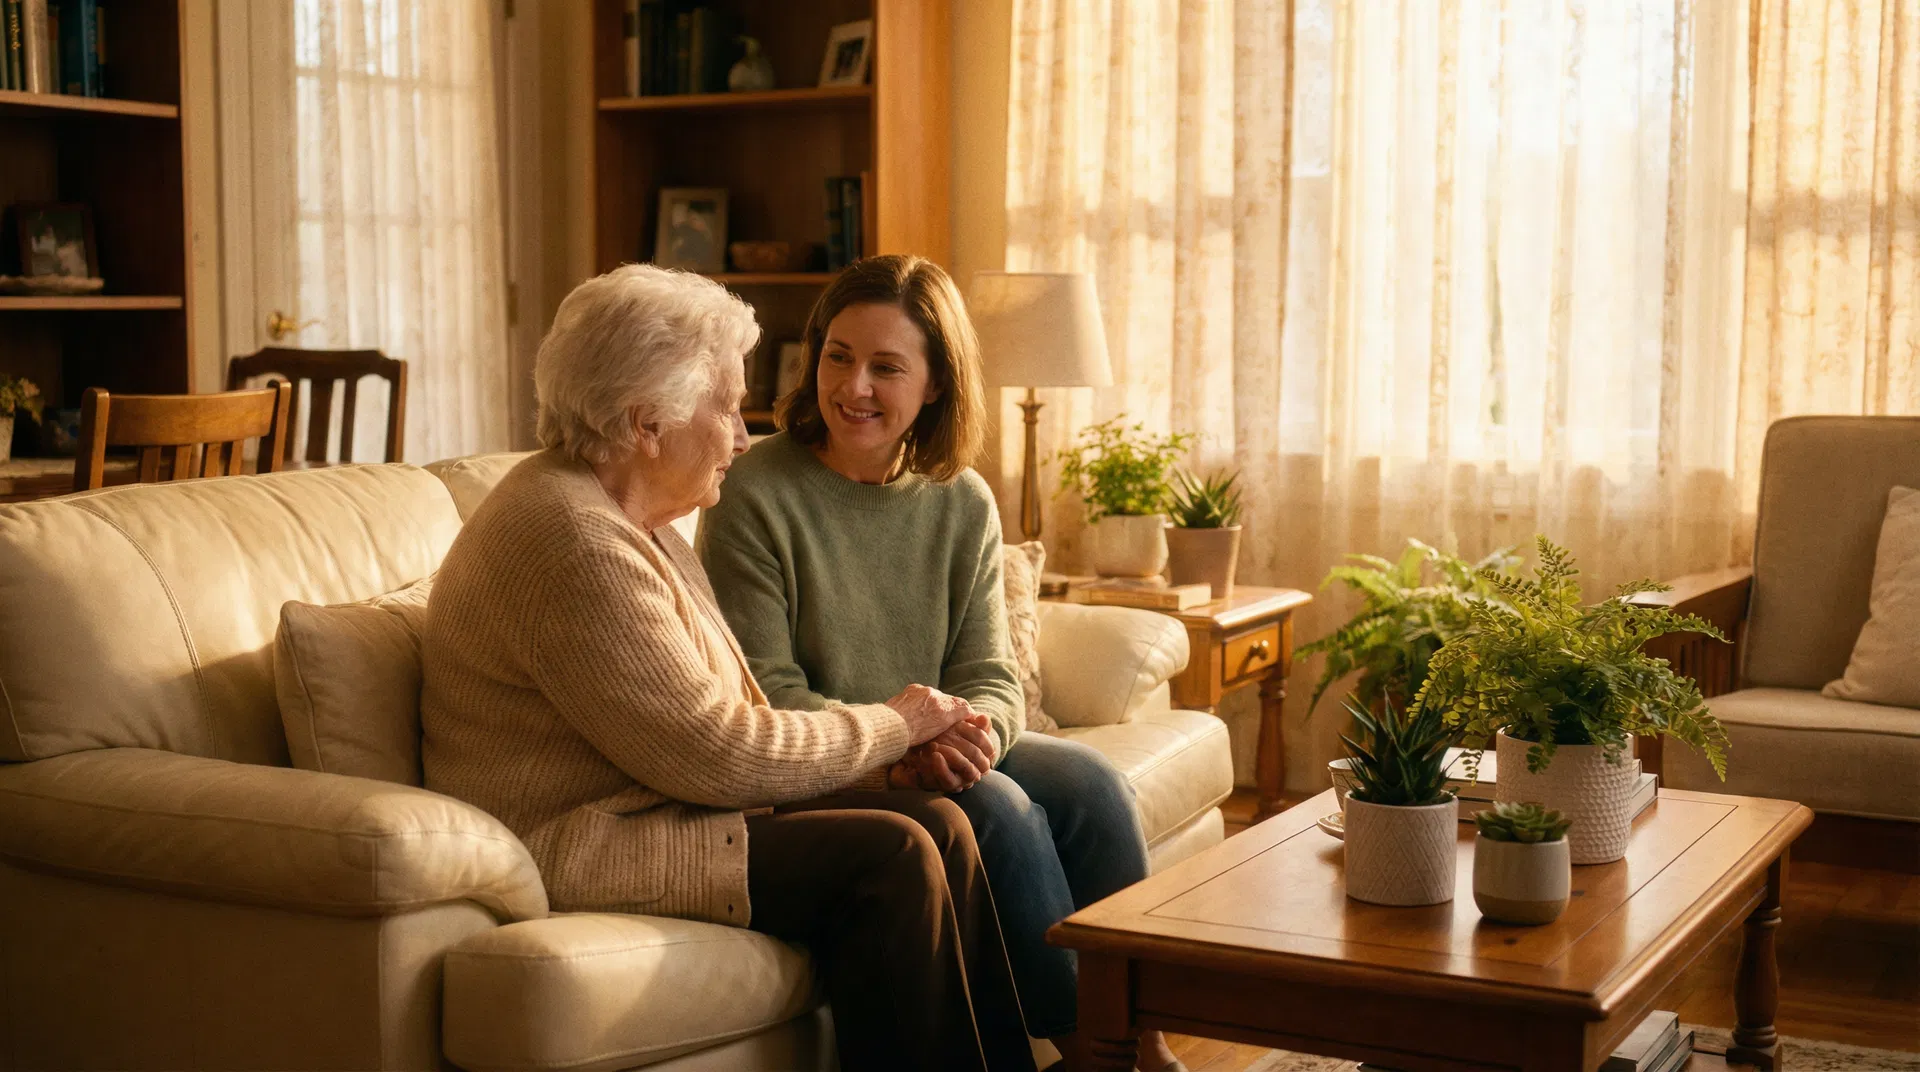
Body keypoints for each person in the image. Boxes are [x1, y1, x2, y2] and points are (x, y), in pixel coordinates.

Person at [420, 264, 1034, 1072]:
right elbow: (722, 752)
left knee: (945, 821)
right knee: (893, 857)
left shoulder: (634, 516)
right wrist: (898, 726)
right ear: (647, 421)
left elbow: (717, 722)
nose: (744, 437)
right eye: (723, 407)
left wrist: (893, 766)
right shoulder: (573, 539)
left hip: (659, 804)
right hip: (594, 836)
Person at [699, 255, 1182, 1072]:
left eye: (887, 367)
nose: (854, 386)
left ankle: (1149, 1041)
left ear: (934, 386)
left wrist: (975, 737)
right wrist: (904, 747)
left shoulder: (961, 500)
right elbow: (768, 690)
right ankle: (1095, 1053)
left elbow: (989, 672)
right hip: (829, 761)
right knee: (994, 809)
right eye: (839, 356)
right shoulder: (756, 490)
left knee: (1093, 785)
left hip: (938, 742)